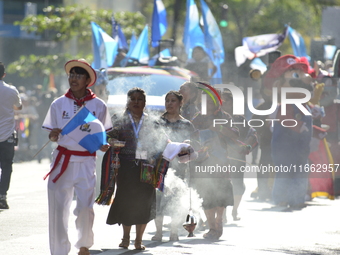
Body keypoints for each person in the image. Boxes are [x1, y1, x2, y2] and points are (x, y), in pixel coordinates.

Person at [41, 59, 113, 255]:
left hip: (86, 162)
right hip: (62, 160)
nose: (73, 78)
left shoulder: (99, 105)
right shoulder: (58, 103)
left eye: (78, 75)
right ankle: (58, 250)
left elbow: (104, 135)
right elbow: (51, 134)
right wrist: (53, 135)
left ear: (87, 80)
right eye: (71, 75)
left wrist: (104, 146)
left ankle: (83, 245)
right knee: (57, 208)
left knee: (84, 207)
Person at [106, 87, 160, 250]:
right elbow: (108, 137)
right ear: (128, 102)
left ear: (145, 103)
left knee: (144, 203)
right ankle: (126, 238)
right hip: (125, 168)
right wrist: (113, 142)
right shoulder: (119, 119)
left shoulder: (152, 121)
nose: (136, 102)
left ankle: (139, 240)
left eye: (140, 99)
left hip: (147, 169)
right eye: (133, 99)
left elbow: (161, 141)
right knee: (126, 202)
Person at [262, 55, 313, 209]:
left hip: (301, 145)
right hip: (284, 144)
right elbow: (284, 118)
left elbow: (306, 123)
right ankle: (280, 199)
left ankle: (297, 199)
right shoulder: (285, 103)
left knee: (300, 171)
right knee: (284, 171)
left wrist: (316, 131)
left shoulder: (302, 103)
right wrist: (299, 127)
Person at [192, 89, 239, 240]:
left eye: (210, 101)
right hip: (202, 162)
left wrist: (218, 128)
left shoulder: (224, 117)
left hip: (221, 161)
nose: (206, 104)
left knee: (221, 193)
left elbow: (235, 135)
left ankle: (219, 221)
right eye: (203, 101)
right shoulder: (198, 118)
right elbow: (191, 136)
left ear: (218, 102)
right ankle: (212, 226)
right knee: (206, 194)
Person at [151, 90, 198, 241]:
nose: (169, 104)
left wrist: (188, 146)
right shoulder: (158, 122)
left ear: (180, 103)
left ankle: (174, 232)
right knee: (158, 199)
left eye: (173, 101)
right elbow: (151, 143)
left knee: (176, 199)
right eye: (167, 101)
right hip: (160, 165)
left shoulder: (187, 124)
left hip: (179, 167)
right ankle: (158, 232)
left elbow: (195, 144)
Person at [221, 90, 258, 221]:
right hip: (221, 156)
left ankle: (234, 210)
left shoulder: (239, 119)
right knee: (222, 185)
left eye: (227, 100)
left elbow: (252, 134)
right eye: (222, 100)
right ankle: (222, 213)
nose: (224, 103)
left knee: (238, 185)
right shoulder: (217, 118)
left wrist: (244, 146)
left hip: (238, 156)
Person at [0, 62, 22, 209]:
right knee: (7, 166)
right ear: (4, 75)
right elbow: (18, 106)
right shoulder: (11, 90)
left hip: (7, 135)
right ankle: (2, 197)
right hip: (7, 136)